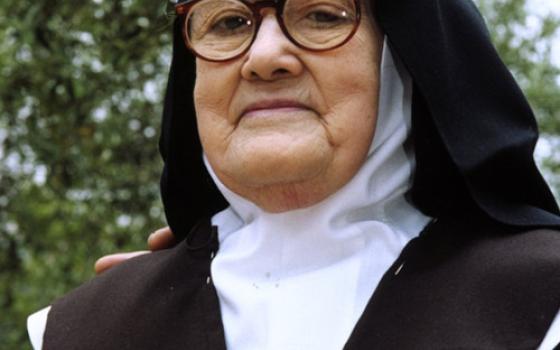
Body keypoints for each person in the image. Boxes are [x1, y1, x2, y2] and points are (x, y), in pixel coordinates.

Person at [28, 0, 560, 348]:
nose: (263, 57)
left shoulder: (542, 301)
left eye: (321, 15)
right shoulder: (79, 331)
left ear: (404, 59)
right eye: (229, 22)